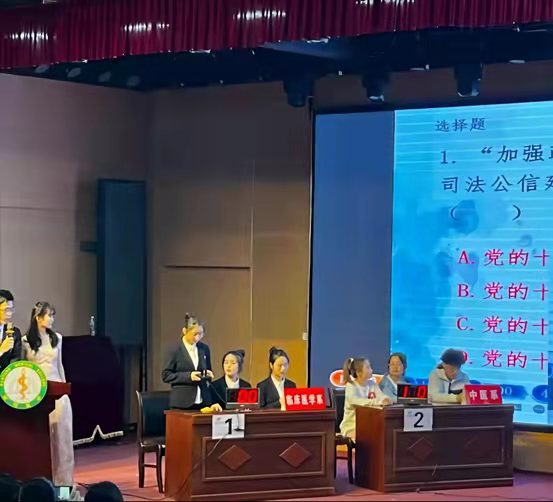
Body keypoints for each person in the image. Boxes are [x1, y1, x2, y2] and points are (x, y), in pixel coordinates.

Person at [22, 302, 75, 486]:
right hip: (38, 394)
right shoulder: (26, 341)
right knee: (42, 441)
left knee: (63, 441)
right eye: (49, 315)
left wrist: (65, 391)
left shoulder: (57, 338)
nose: (52, 319)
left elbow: (60, 366)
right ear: (38, 317)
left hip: (58, 392)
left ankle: (64, 485)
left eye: (53, 315)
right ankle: (42, 484)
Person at [161, 313, 221, 411]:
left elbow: (207, 370)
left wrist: (207, 374)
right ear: (185, 331)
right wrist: (189, 376)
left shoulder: (204, 348)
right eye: (195, 334)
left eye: (200, 334)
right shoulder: (174, 349)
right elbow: (166, 375)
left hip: (203, 402)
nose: (197, 337)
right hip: (182, 402)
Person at [340, 357, 392, 439]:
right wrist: (378, 402)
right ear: (359, 372)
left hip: (369, 426)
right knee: (367, 438)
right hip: (352, 427)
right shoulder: (351, 386)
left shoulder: (372, 384)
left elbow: (381, 396)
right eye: (368, 367)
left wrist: (386, 399)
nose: (371, 370)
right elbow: (357, 401)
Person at [0, 290, 22, 373]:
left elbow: (15, 362)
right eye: (6, 310)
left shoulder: (15, 333)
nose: (9, 314)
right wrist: (1, 350)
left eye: (11, 309)